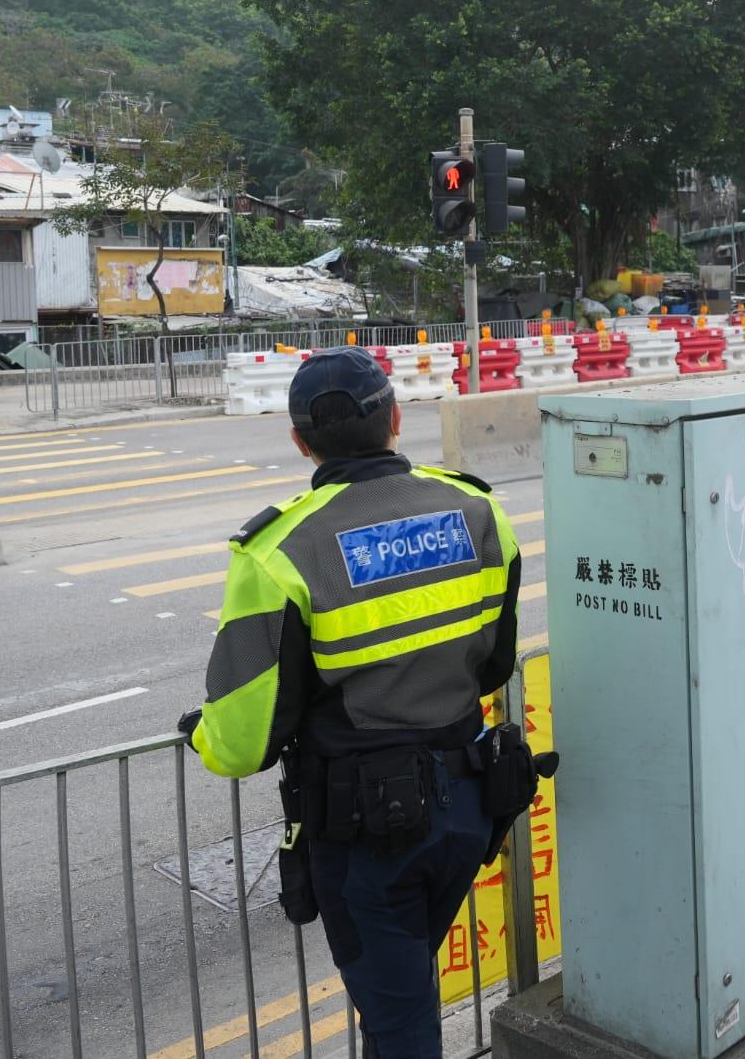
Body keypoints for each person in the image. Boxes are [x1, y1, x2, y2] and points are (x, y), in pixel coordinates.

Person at [181, 347, 521, 1057]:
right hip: (467, 808)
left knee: (400, 1026)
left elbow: (243, 740)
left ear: (300, 440)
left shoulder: (276, 552)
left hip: (370, 832)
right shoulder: (478, 508)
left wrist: (202, 736)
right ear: (397, 419)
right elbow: (492, 665)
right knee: (406, 1001)